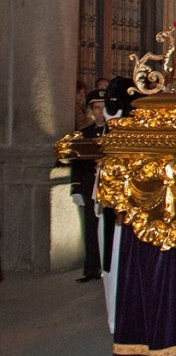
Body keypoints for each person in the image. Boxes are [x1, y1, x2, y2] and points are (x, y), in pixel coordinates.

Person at [72, 89, 107, 283]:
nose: (100, 112)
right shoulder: (85, 134)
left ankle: (107, 266)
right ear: (91, 110)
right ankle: (91, 268)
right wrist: (76, 188)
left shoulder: (116, 133)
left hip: (107, 187)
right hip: (88, 186)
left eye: (103, 108)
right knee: (90, 228)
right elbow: (77, 163)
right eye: (96, 108)